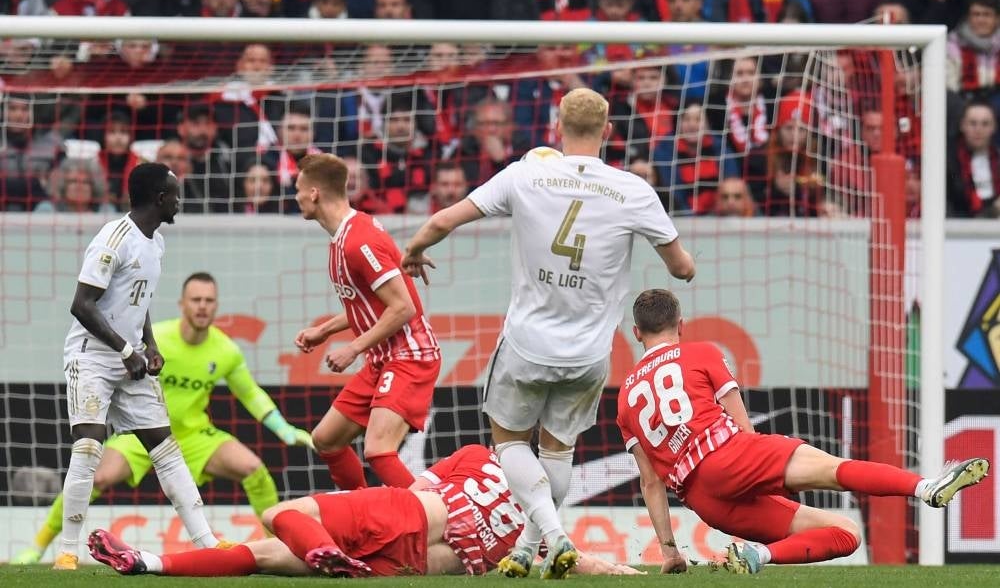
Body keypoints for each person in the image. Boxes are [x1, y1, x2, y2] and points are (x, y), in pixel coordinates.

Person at [401, 88, 696, 579]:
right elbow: (681, 265)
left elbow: (444, 219)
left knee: (510, 446)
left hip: (526, 345)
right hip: (588, 354)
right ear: (607, 131)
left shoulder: (526, 173)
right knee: (558, 450)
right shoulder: (633, 190)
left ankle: (553, 537)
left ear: (558, 128)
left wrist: (414, 249)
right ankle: (526, 549)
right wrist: (687, 268)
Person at [618, 288, 991, 575]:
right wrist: (761, 469)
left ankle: (758, 555)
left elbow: (651, 483)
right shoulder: (700, 352)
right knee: (834, 470)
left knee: (846, 533)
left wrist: (669, 551)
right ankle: (925, 487)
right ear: (681, 324)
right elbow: (741, 423)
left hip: (704, 500)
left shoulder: (624, 399)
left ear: (637, 333)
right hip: (731, 456)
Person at [14, 271, 312, 564]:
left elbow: (250, 393)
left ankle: (274, 547)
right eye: (196, 299)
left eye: (209, 300)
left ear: (216, 306)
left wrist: (282, 428)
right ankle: (37, 548)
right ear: (182, 303)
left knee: (254, 468)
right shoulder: (158, 339)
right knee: (98, 475)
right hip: (142, 433)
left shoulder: (225, 350)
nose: (202, 306)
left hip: (195, 436)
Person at [88, 444, 641, 577]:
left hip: (413, 513)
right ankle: (147, 564)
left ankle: (324, 547)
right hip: (424, 565)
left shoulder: (479, 456)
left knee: (277, 516)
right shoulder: (542, 524)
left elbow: (413, 486)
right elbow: (583, 563)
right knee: (259, 557)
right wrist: (635, 572)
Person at [53, 163, 223, 570]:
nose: (179, 200)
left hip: (129, 354)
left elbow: (138, 302)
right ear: (159, 198)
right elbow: (81, 304)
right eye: (175, 193)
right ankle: (66, 551)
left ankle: (208, 542)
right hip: (91, 355)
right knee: (90, 445)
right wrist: (126, 351)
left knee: (164, 448)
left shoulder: (156, 243)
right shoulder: (114, 239)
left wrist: (149, 344)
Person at [292, 153, 441, 492]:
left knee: (378, 450)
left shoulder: (358, 241)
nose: (296, 195)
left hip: (410, 356)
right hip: (381, 359)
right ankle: (359, 516)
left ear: (314, 193)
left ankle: (439, 524)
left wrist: (352, 348)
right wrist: (323, 331)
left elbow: (402, 308)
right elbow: (370, 304)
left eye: (298, 188)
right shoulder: (345, 236)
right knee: (326, 439)